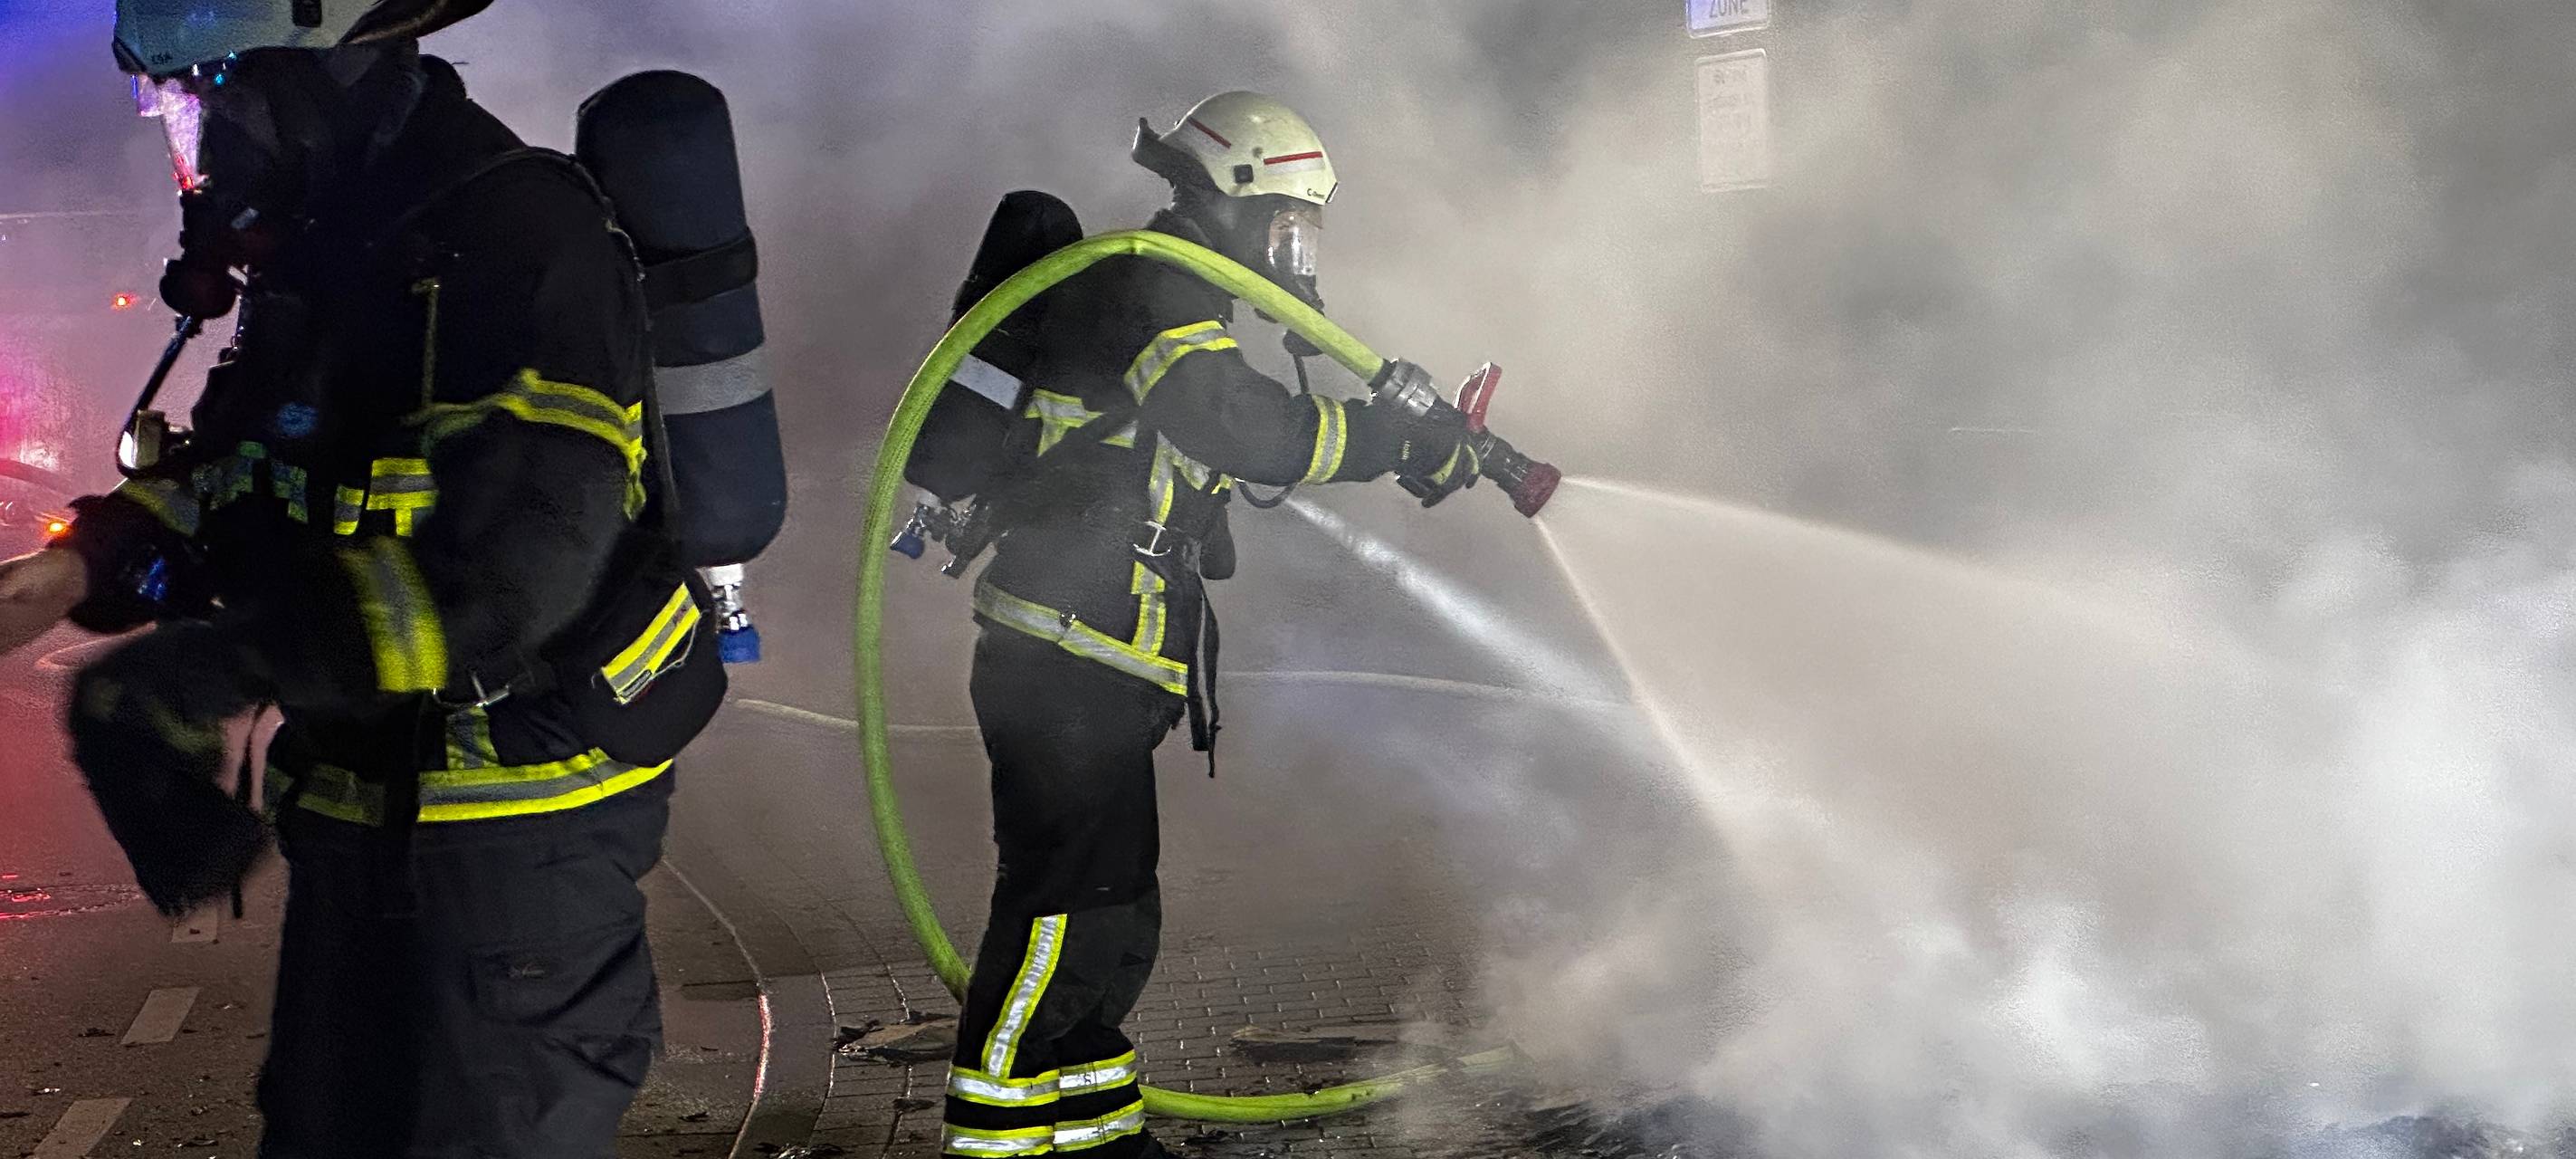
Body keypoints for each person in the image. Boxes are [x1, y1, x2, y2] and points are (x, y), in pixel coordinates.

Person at [0, 1, 725, 1154]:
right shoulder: (333, 243)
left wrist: (217, 665)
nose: (192, 146)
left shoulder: (518, 240)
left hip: (509, 849)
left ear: (306, 74)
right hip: (357, 822)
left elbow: (504, 579)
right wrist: (69, 569)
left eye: (200, 99)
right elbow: (243, 473)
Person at [937, 91, 1479, 1159]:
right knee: (1057, 910)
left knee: (1113, 910)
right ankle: (993, 1140)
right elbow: (1232, 423)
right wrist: (1389, 441)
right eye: (1286, 216)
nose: (1294, 243)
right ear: (1233, 195)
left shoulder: (1178, 283)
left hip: (1103, 649)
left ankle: (1096, 1134)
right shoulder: (1158, 279)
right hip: (1064, 651)